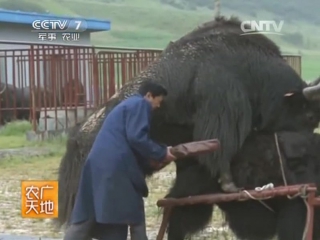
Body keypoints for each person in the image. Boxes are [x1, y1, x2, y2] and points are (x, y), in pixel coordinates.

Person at [63, 80, 176, 240]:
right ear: (149, 95)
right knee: (131, 213)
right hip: (115, 166)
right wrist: (162, 152)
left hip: (99, 163)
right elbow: (137, 138)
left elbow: (130, 142)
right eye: (158, 102)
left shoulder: (126, 106)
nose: (157, 106)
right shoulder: (140, 105)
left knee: (90, 214)